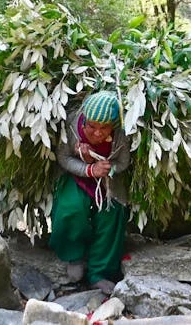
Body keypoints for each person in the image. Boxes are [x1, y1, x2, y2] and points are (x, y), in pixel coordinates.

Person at [49, 90, 131, 295]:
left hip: (107, 180)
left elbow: (123, 162)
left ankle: (100, 273)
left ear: (113, 126)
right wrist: (87, 168)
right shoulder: (72, 126)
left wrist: (107, 169)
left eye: (104, 128)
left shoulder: (121, 135)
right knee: (71, 207)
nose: (97, 133)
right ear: (84, 120)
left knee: (112, 213)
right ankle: (73, 255)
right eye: (92, 126)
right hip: (75, 174)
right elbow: (63, 158)